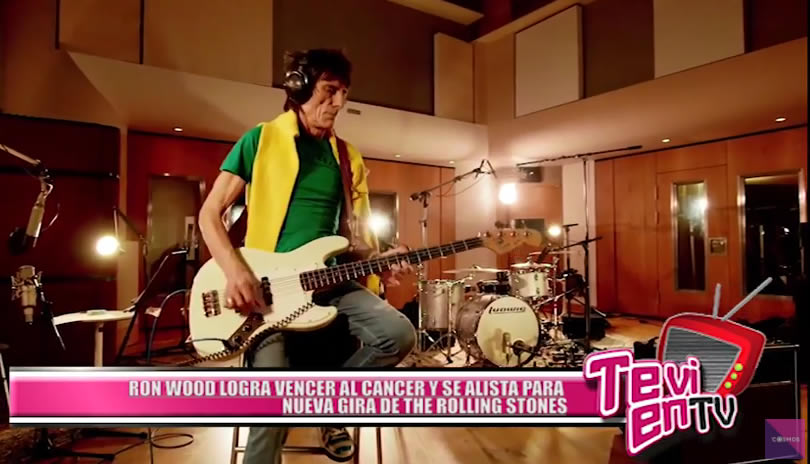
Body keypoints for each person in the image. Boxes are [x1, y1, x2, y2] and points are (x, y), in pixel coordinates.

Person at [198, 49, 417, 463]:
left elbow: (357, 237)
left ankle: (327, 408)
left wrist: (384, 259)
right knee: (270, 409)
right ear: (298, 87)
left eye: (344, 93)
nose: (339, 103)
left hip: (329, 281)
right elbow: (210, 215)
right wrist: (236, 273)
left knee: (399, 335)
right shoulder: (260, 139)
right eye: (329, 90)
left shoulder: (347, 156)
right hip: (267, 294)